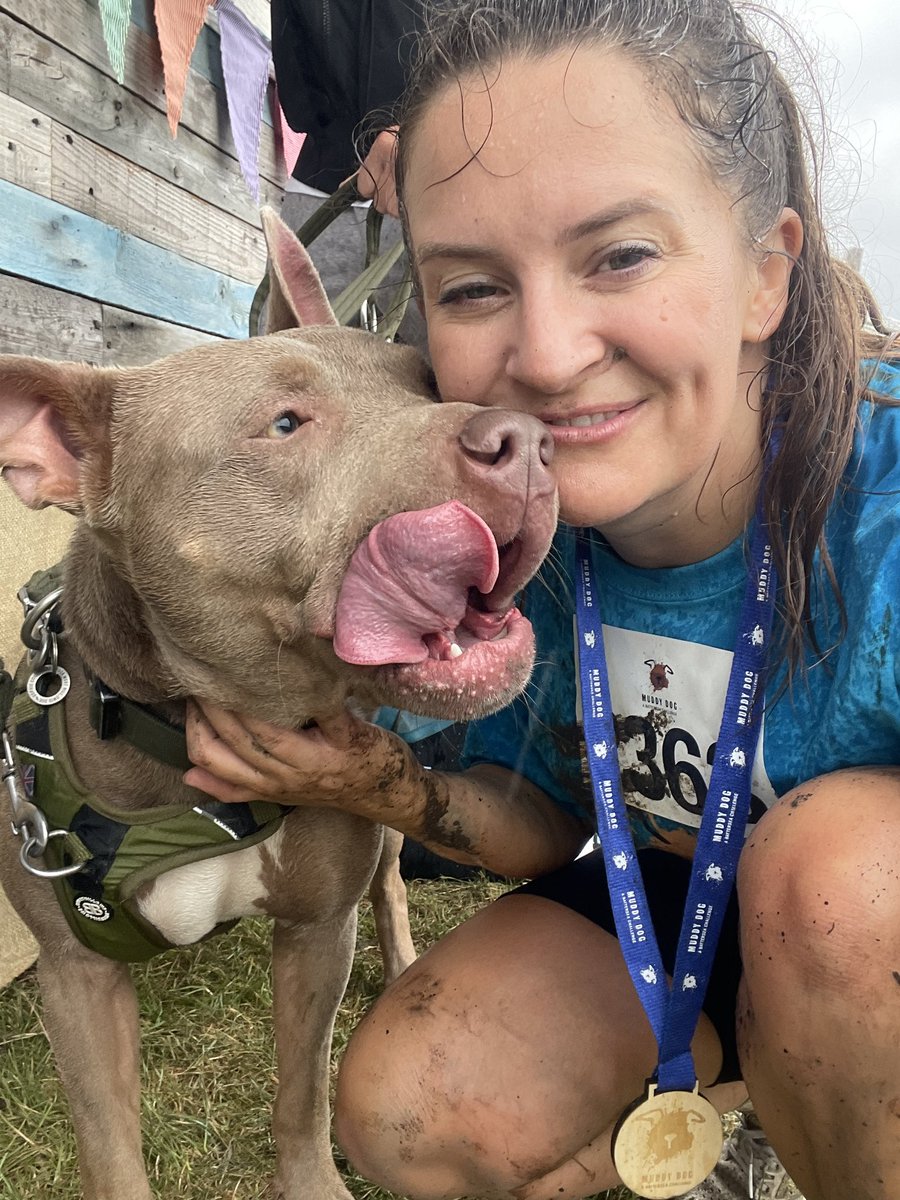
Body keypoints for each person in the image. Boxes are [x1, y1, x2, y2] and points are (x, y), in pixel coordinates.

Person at [185, 2, 900, 1198]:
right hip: (684, 904)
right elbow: (543, 815)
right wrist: (372, 779)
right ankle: (750, 1088)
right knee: (410, 1105)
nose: (550, 354)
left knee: (834, 886)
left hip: (863, 922)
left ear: (765, 274)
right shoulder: (516, 530)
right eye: (471, 289)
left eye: (620, 255)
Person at [272, 0, 425, 345]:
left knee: (454, 375)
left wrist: (430, 128)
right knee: (292, 361)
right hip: (322, 183)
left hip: (440, 182)